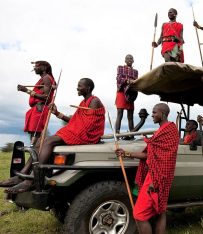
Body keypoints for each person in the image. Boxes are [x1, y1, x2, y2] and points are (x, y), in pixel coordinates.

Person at [3, 78, 105, 193]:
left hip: (88, 135)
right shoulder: (84, 102)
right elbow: (74, 120)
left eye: (80, 86)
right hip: (78, 131)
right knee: (40, 141)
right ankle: (22, 175)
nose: (77, 88)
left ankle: (32, 180)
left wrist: (70, 129)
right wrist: (57, 113)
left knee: (49, 141)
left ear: (88, 88)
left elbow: (88, 126)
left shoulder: (94, 101)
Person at [116, 103, 179, 234]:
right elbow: (148, 155)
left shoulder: (170, 130)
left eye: (155, 112)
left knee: (139, 214)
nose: (152, 115)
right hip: (157, 175)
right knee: (160, 211)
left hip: (158, 177)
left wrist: (154, 182)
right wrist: (126, 153)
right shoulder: (160, 131)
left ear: (163, 114)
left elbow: (167, 159)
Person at [17, 61, 56, 145]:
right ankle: (34, 152)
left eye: (37, 66)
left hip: (40, 108)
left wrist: (26, 90)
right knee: (33, 132)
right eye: (34, 66)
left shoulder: (46, 78)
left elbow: (46, 97)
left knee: (36, 133)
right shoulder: (44, 79)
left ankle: (34, 151)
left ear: (44, 68)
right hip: (37, 108)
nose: (35, 68)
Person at [115, 54, 138, 133]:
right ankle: (117, 133)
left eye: (131, 58)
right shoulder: (120, 68)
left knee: (130, 114)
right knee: (120, 113)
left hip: (131, 93)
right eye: (127, 58)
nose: (129, 59)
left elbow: (137, 81)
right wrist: (127, 80)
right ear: (125, 60)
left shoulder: (135, 72)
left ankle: (132, 134)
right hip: (121, 92)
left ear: (133, 61)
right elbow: (118, 79)